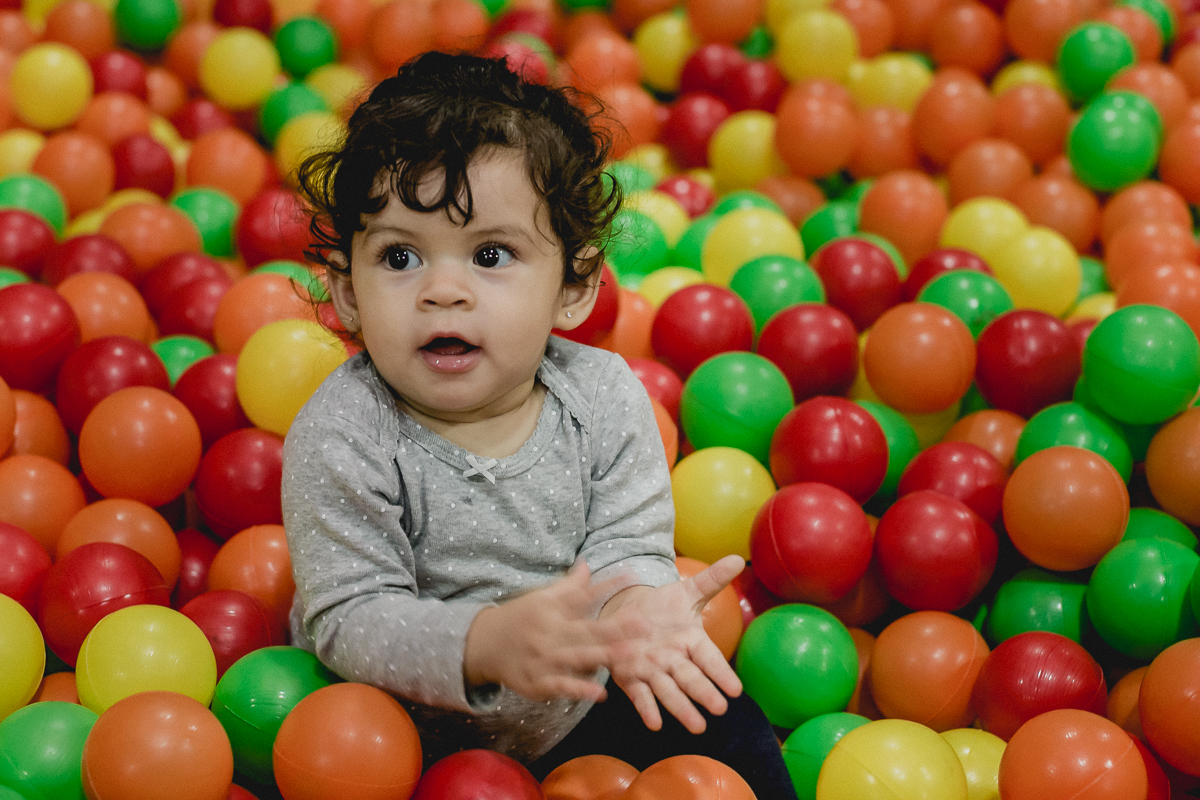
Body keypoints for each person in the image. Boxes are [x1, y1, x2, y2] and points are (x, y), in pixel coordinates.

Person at [283, 51, 796, 798]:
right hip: (401, 740)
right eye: (399, 255)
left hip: (578, 697)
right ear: (348, 293)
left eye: (491, 253)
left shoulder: (606, 399)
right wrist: (484, 644)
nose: (444, 291)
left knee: (720, 721)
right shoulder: (342, 433)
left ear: (574, 288)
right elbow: (348, 615)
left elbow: (627, 540)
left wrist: (634, 611)